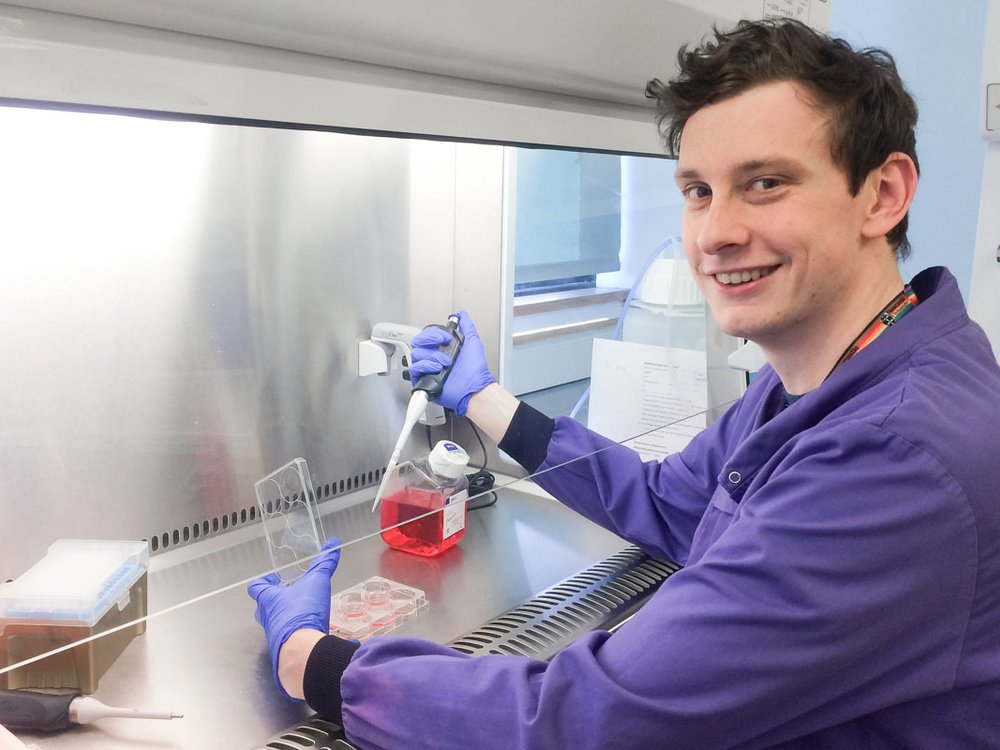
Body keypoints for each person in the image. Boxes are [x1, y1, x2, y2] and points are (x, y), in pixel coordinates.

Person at [249, 18, 1000, 749]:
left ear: (883, 194)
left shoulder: (897, 454)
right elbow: (671, 502)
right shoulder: (824, 378)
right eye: (698, 190)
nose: (715, 233)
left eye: (765, 184)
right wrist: (485, 401)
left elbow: (585, 722)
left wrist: (310, 661)